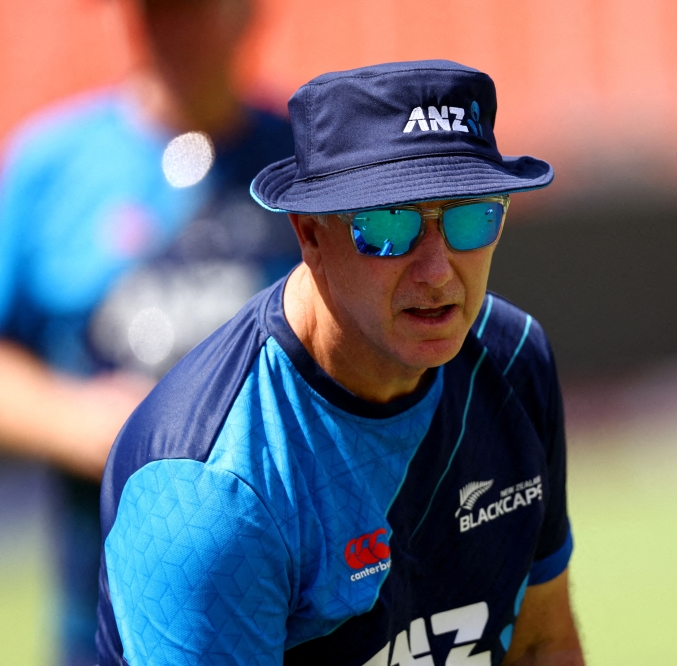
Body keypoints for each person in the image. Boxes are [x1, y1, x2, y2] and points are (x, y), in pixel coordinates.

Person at [97, 60, 584, 666]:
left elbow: (541, 644)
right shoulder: (210, 490)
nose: (437, 272)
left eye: (470, 216)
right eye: (387, 225)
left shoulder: (513, 361)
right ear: (309, 235)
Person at [0, 0, 299, 663]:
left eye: (194, 10)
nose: (171, 28)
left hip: (302, 603)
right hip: (111, 615)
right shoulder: (50, 167)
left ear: (249, 15)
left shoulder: (304, 165)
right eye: (153, 11)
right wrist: (73, 419)